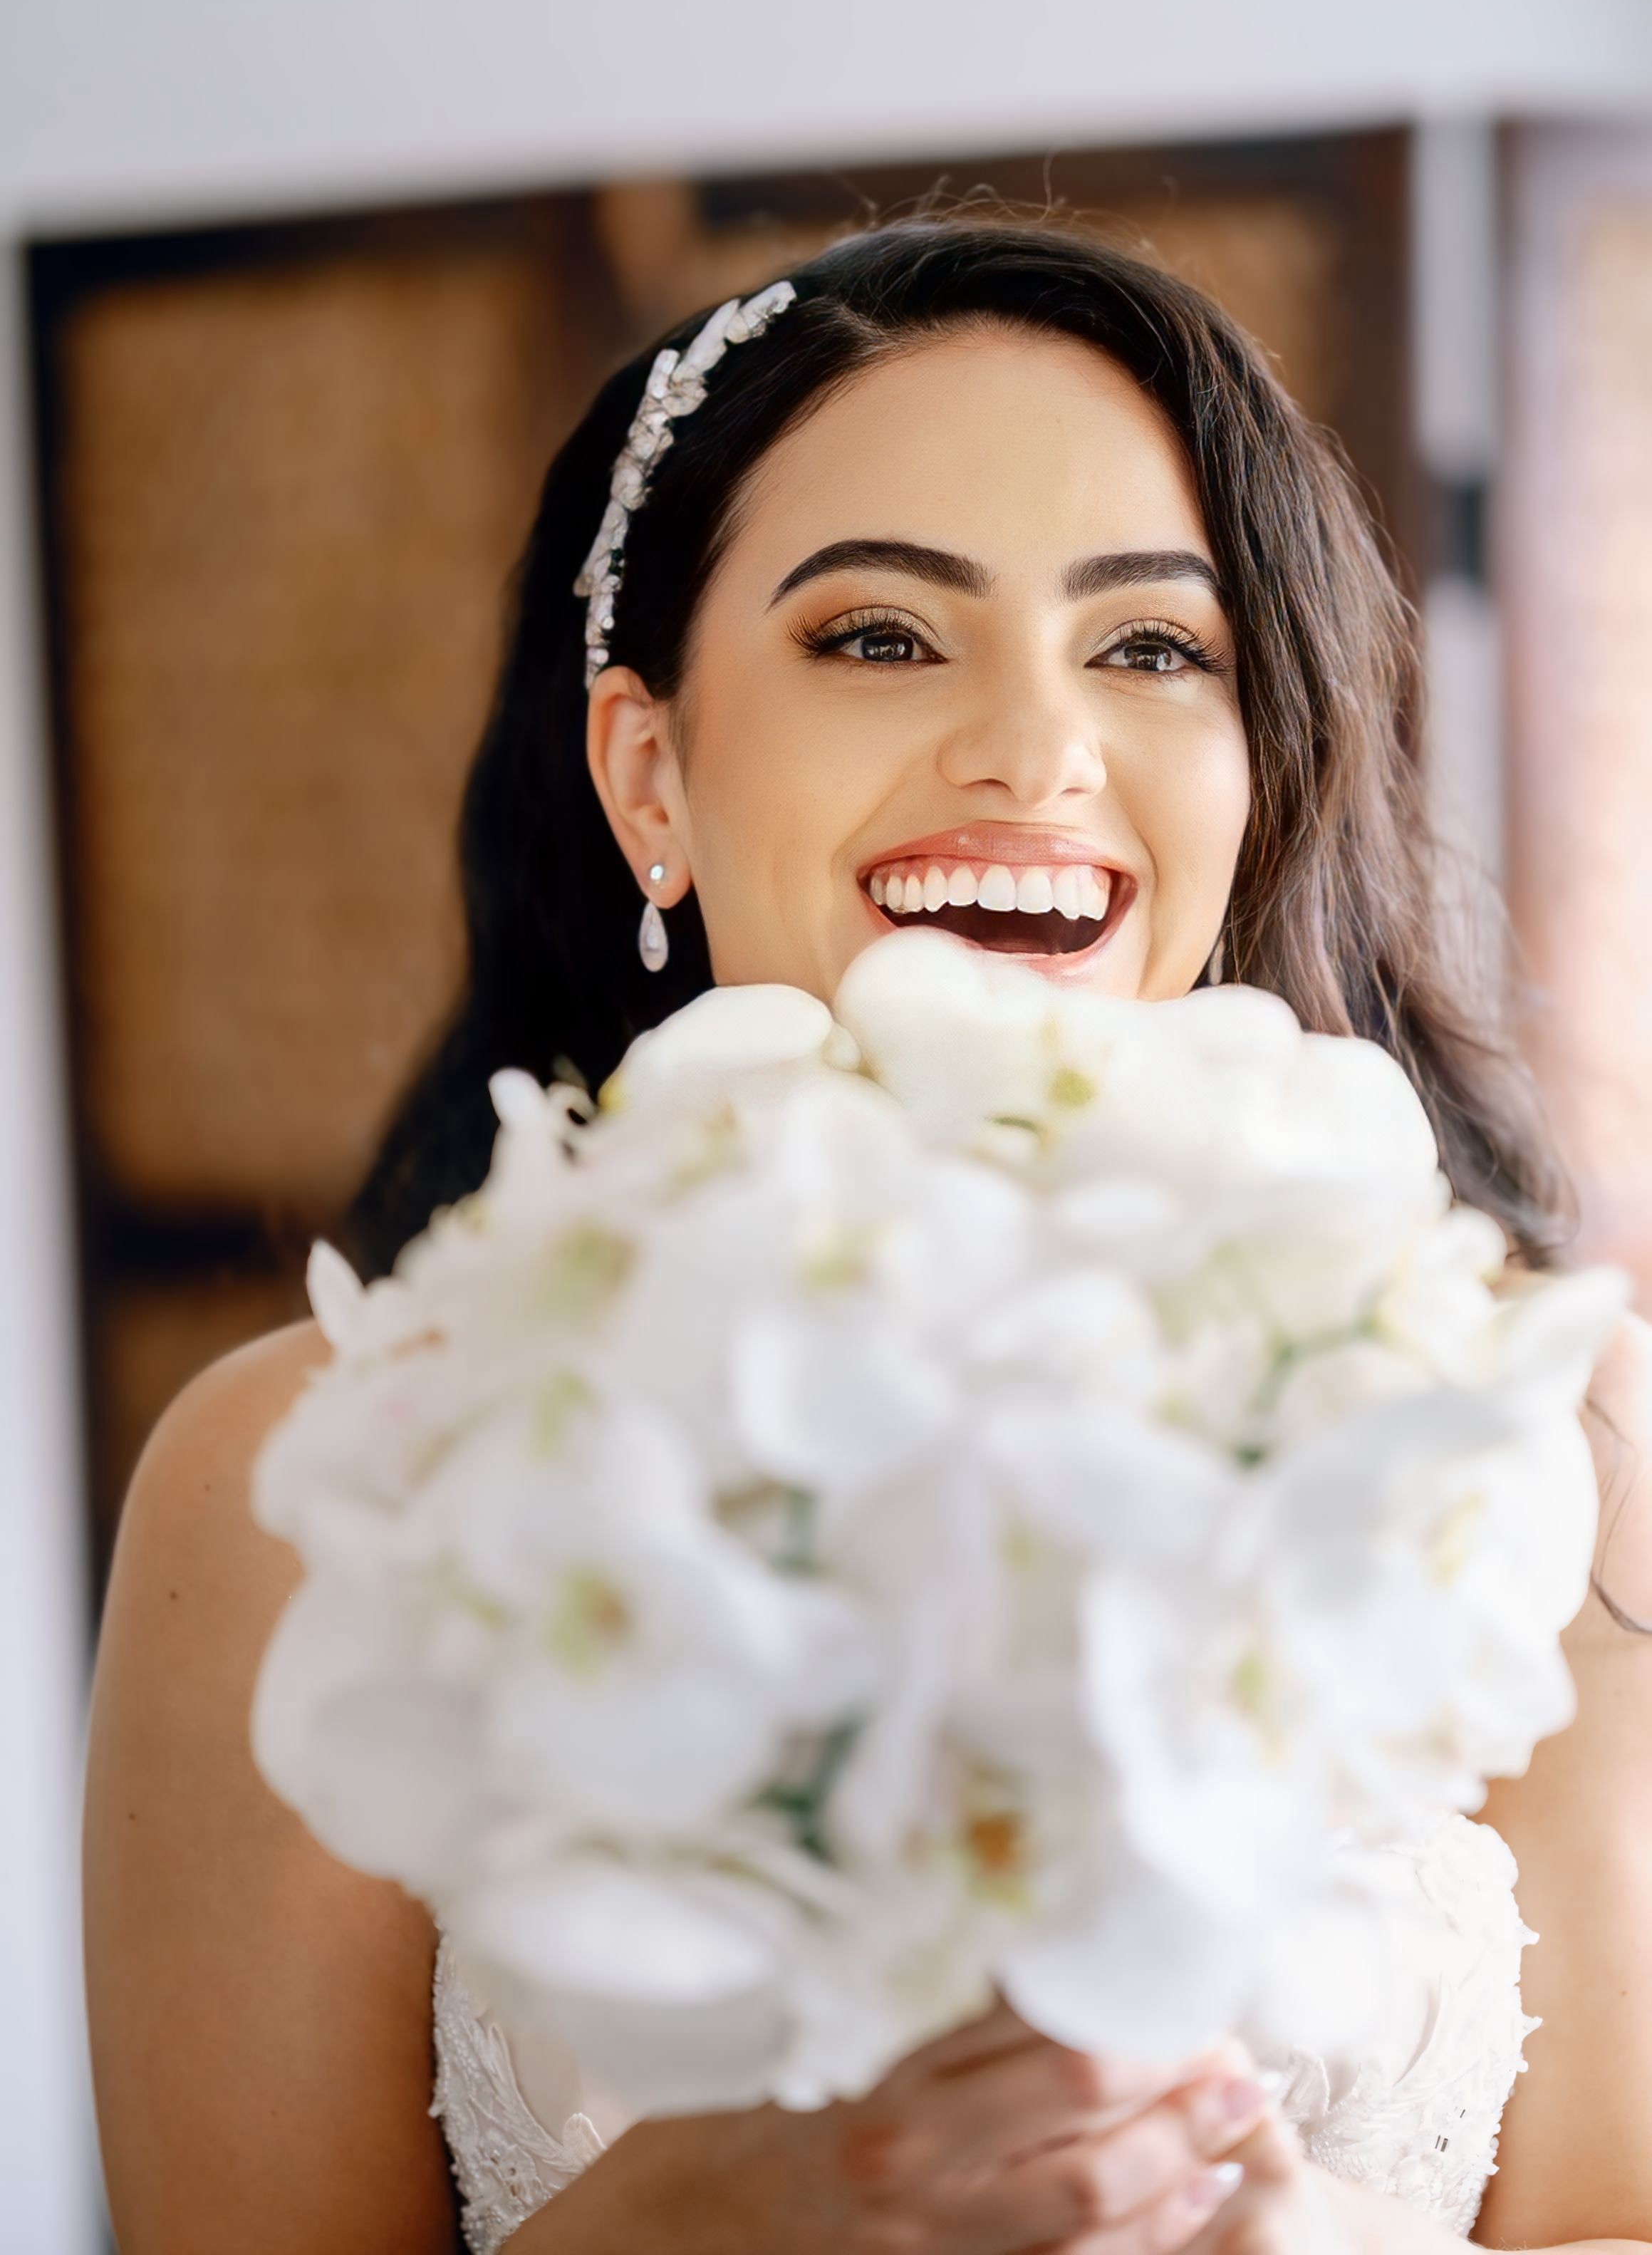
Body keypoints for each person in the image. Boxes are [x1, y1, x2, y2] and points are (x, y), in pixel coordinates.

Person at [83, 221, 1652, 2255]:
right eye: (883, 636)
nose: (1036, 748)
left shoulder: (1506, 1426)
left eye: (1155, 648)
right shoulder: (311, 1478)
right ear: (651, 770)